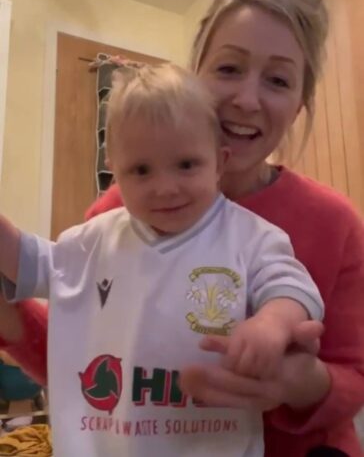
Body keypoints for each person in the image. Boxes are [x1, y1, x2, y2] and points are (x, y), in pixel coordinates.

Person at [0, 0, 363, 456]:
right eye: (229, 68)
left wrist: (301, 380)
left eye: (278, 79)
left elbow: (353, 377)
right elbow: (85, 349)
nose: (247, 99)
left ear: (301, 99)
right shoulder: (114, 216)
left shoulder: (327, 225)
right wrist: (10, 318)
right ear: (195, 75)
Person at [0, 62, 324, 456]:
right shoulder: (96, 239)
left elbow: (293, 288)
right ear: (113, 171)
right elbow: (32, 263)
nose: (165, 188)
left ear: (220, 163)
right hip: (104, 443)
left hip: (211, 444)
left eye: (186, 165)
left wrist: (273, 322)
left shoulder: (251, 237)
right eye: (141, 170)